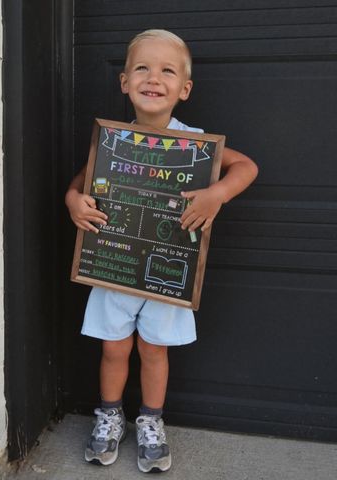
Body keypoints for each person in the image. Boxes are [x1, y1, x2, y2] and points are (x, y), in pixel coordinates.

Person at [65, 29, 258, 473]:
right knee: (114, 348)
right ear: (125, 82)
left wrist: (218, 194)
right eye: (142, 68)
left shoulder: (198, 144)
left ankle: (150, 420)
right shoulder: (112, 141)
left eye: (167, 71)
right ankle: (110, 414)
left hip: (171, 270)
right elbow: (80, 181)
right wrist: (74, 201)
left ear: (184, 89)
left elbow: (246, 167)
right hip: (114, 263)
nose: (154, 78)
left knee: (154, 350)